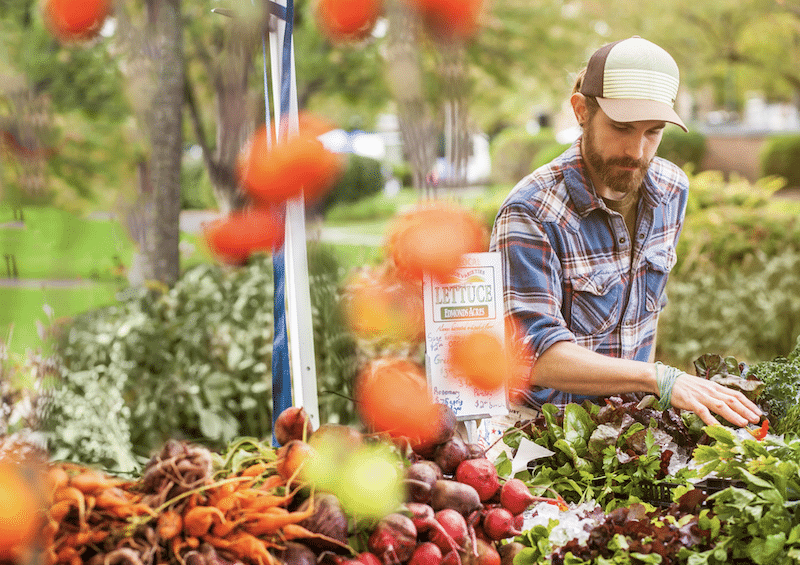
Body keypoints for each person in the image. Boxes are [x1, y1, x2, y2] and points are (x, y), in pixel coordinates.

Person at [490, 36, 761, 428]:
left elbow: (641, 318)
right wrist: (659, 379)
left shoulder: (671, 190)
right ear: (581, 110)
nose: (636, 150)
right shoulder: (531, 211)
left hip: (628, 431)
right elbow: (535, 357)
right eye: (621, 127)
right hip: (541, 435)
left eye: (653, 131)